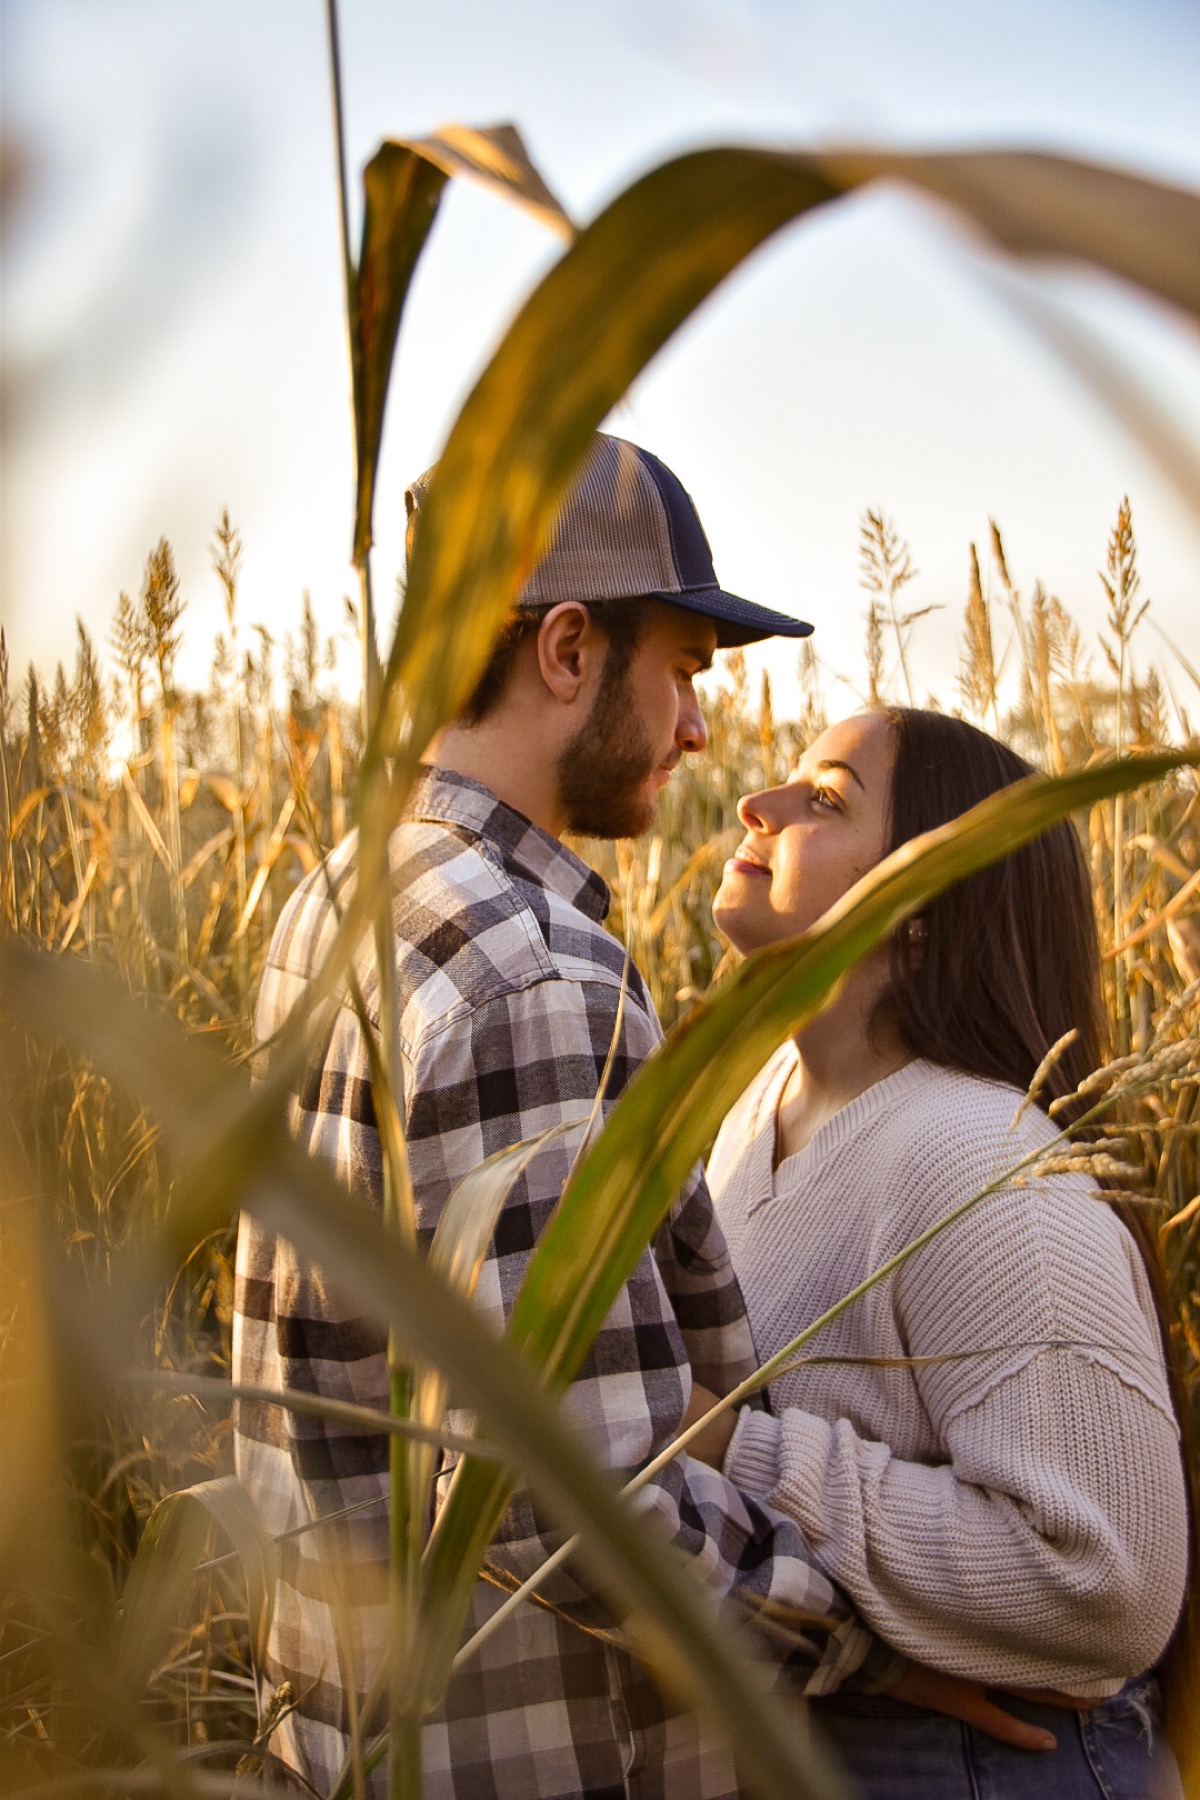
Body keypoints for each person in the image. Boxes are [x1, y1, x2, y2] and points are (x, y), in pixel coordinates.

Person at [693, 705, 1190, 1798]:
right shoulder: (755, 1110)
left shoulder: (980, 1160)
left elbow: (1107, 1580)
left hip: (980, 1765)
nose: (756, 807)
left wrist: (745, 1454)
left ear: (923, 901)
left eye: (823, 800)